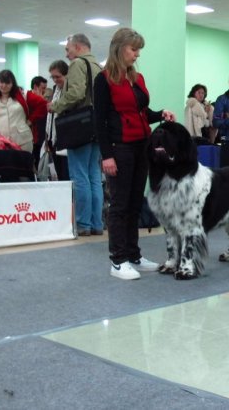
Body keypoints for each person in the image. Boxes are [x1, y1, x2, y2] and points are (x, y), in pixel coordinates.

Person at [94, 27, 175, 281]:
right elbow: (100, 121)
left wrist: (160, 114)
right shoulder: (104, 79)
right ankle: (118, 260)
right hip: (119, 148)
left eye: (138, 49)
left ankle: (133, 254)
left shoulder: (137, 79)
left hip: (142, 146)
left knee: (134, 202)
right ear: (119, 49)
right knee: (119, 205)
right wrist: (107, 155)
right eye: (133, 49)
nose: (137, 53)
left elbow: (142, 112)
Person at [48, 33, 103, 237]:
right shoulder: (98, 66)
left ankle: (83, 224)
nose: (66, 53)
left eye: (68, 48)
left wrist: (56, 106)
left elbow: (76, 94)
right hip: (97, 126)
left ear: (78, 47)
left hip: (80, 126)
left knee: (79, 176)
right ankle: (96, 223)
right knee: (94, 176)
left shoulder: (78, 65)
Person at [0, 69, 45, 152]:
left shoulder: (23, 95)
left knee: (22, 164)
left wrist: (30, 120)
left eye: (7, 83)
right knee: (2, 165)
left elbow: (43, 105)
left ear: (13, 84)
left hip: (23, 141)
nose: (4, 85)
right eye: (1, 82)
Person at [44, 60, 70, 181]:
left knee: (67, 173)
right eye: (52, 77)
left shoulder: (69, 90)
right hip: (54, 138)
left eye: (57, 77)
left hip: (66, 137)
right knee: (59, 173)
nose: (55, 80)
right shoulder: (55, 90)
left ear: (66, 75)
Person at [28, 76, 49, 167]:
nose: (44, 91)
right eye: (43, 88)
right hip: (32, 136)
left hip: (40, 136)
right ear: (36, 87)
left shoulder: (42, 100)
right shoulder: (29, 99)